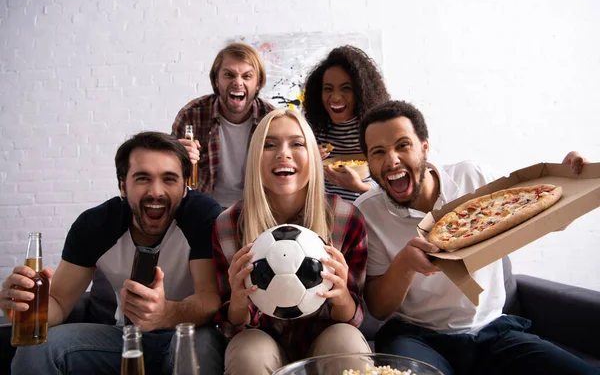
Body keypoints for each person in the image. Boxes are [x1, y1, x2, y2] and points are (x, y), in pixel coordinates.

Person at [354, 100, 599, 375]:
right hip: (415, 337)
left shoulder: (473, 178)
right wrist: (405, 265)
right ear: (369, 164)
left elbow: (551, 222)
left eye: (402, 145)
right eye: (378, 152)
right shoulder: (367, 211)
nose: (392, 160)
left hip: (494, 331)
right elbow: (377, 308)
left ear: (424, 147)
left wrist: (576, 183)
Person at [1, 132, 226, 375]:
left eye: (169, 179)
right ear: (122, 186)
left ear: (184, 188)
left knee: (200, 349)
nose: (156, 192)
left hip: (189, 332)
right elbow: (58, 303)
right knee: (34, 350)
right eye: (142, 178)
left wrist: (165, 313)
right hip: (124, 337)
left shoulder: (201, 215)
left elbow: (209, 298)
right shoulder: (94, 225)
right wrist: (26, 307)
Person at [212, 109, 370, 374]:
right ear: (254, 158)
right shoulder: (227, 224)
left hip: (324, 340)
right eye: (269, 144)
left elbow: (350, 320)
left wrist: (342, 295)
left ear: (313, 155)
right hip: (262, 342)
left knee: (346, 341)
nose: (283, 153)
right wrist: (238, 300)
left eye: (297, 144)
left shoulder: (347, 218)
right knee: (249, 350)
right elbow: (234, 326)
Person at [172, 42, 275, 209]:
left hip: (256, 208)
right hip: (205, 206)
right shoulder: (191, 114)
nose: (238, 82)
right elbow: (169, 173)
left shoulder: (271, 119)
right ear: (216, 80)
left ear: (258, 83)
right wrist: (176, 159)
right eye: (229, 75)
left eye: (247, 76)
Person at [303, 45, 390, 202]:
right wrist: (306, 159)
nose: (336, 98)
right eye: (328, 89)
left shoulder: (376, 129)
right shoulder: (314, 129)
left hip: (368, 209)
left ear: (361, 92)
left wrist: (361, 187)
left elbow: (392, 180)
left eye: (346, 89)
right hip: (325, 211)